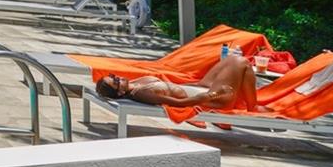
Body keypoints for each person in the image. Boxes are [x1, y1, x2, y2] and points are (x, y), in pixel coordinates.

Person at [96, 52, 264, 111]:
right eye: (116, 81)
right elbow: (180, 103)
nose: (118, 77)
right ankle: (252, 106)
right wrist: (215, 94)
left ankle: (251, 102)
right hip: (213, 99)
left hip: (199, 88)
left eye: (113, 75)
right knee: (240, 62)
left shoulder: (135, 83)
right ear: (120, 92)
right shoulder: (142, 92)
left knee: (231, 58)